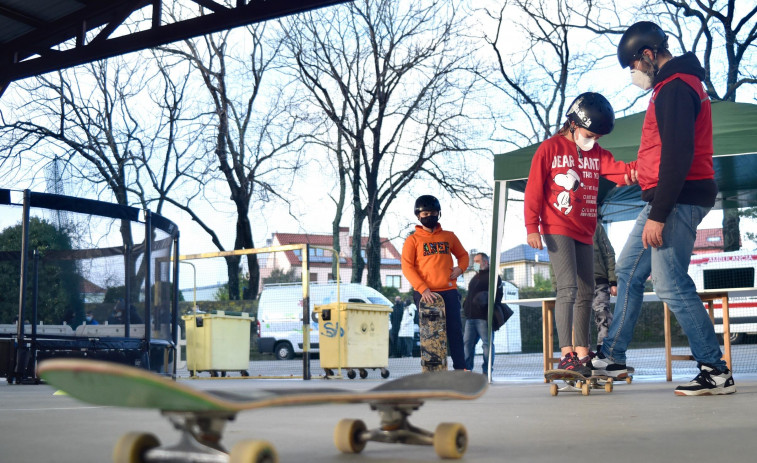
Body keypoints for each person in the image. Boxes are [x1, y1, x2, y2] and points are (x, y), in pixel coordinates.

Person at [592, 21, 735, 396]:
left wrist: (659, 215)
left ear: (649, 55)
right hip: (664, 195)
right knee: (627, 269)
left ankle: (715, 370)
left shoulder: (674, 88)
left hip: (678, 198)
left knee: (670, 283)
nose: (634, 75)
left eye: (634, 67)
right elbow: (664, 152)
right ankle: (613, 355)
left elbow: (679, 154)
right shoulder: (671, 87)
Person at [524, 92, 635, 377]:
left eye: (598, 137)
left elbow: (618, 171)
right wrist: (531, 227)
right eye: (589, 134)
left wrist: (637, 172)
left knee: (587, 291)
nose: (593, 140)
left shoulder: (596, 153)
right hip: (556, 226)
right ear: (572, 123)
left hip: (585, 228)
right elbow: (534, 189)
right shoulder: (550, 148)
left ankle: (583, 354)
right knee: (568, 289)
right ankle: (566, 355)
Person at [401, 194, 469, 370]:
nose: (429, 216)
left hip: (449, 291)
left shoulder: (449, 236)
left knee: (454, 331)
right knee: (430, 333)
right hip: (427, 295)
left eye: (432, 212)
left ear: (438, 213)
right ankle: (433, 370)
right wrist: (423, 289)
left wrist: (460, 268)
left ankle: (461, 368)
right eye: (425, 214)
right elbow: (407, 267)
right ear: (418, 216)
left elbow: (463, 255)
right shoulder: (412, 240)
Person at [462, 252, 503, 375]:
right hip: (470, 318)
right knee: (467, 344)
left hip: (483, 318)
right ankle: (467, 369)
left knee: (487, 344)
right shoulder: (475, 277)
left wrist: (486, 301)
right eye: (474, 261)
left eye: (477, 261)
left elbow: (499, 296)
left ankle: (487, 370)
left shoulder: (493, 277)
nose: (475, 264)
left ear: (485, 262)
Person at [591, 217, 616, 354]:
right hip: (576, 283)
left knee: (604, 315)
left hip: (599, 280)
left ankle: (604, 351)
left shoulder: (597, 227)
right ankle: (582, 353)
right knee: (579, 319)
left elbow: (609, 253)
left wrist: (613, 280)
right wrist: (557, 286)